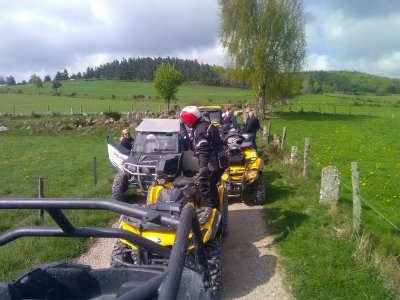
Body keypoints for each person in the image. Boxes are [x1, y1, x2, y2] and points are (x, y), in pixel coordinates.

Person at [180, 106, 228, 210]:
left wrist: (203, 168)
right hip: (220, 161)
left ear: (190, 118)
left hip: (215, 163)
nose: (184, 122)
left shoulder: (200, 130)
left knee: (203, 186)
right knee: (211, 185)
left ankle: (211, 211)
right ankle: (217, 209)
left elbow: (203, 150)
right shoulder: (203, 125)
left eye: (185, 119)